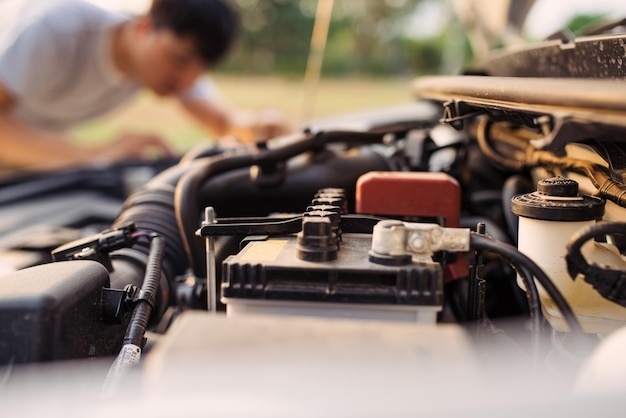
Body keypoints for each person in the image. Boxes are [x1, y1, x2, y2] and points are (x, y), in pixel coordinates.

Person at [0, 0, 290, 170]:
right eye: (179, 60)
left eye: (201, 69)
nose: (187, 80)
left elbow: (223, 122)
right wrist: (97, 155)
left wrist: (261, 125)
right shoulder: (54, 30)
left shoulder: (164, 66)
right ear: (143, 27)